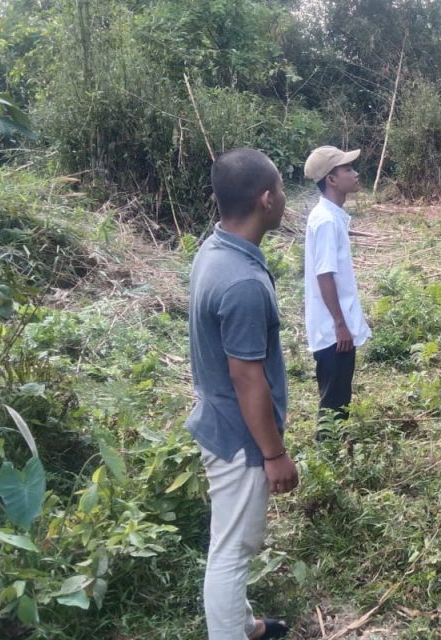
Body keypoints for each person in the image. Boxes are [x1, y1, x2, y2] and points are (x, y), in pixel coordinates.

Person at [187, 148, 296, 640]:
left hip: (219, 422)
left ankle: (242, 625)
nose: (287, 197)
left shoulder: (215, 251)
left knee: (230, 539)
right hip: (239, 437)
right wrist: (274, 454)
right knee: (232, 550)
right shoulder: (243, 283)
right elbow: (247, 378)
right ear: (266, 199)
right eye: (282, 187)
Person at [303, 146, 371, 423]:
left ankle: (333, 451)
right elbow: (324, 275)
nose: (355, 174)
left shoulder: (331, 217)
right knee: (333, 406)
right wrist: (340, 325)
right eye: (347, 169)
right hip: (333, 332)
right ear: (331, 179)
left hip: (336, 327)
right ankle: (327, 455)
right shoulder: (326, 221)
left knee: (339, 401)